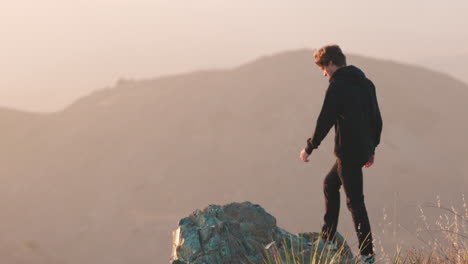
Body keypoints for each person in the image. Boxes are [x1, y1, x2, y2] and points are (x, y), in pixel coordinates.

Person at [299, 44, 383, 264]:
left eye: (323, 69)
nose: (323, 74)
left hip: (348, 153)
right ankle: (327, 237)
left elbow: (324, 120)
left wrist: (309, 147)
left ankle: (367, 255)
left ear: (330, 63)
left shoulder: (337, 86)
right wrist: (371, 148)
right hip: (361, 150)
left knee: (355, 202)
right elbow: (376, 120)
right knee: (329, 184)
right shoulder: (366, 84)